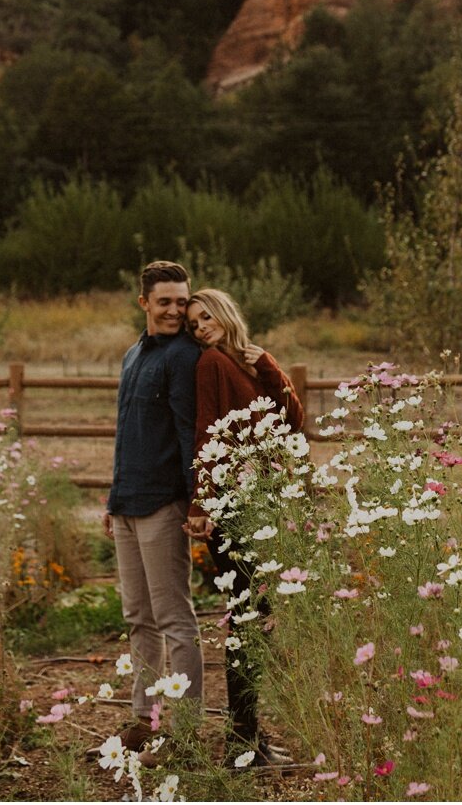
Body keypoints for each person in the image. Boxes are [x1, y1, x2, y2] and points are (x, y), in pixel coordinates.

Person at [183, 288, 304, 766]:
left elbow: (293, 422)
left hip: (260, 503)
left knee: (254, 620)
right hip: (232, 506)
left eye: (206, 316)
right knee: (249, 620)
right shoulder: (212, 362)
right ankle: (243, 742)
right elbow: (207, 429)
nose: (200, 326)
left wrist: (271, 369)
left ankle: (247, 737)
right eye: (193, 323)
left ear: (227, 314)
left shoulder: (250, 364)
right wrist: (203, 501)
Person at [104, 260, 204, 753]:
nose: (174, 310)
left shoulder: (185, 357)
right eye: (164, 301)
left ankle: (185, 727)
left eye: (181, 301)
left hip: (164, 504)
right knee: (137, 617)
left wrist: (196, 501)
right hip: (126, 501)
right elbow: (127, 434)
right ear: (143, 302)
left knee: (174, 618)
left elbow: (190, 434)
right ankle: (145, 720)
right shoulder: (132, 355)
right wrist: (112, 499)